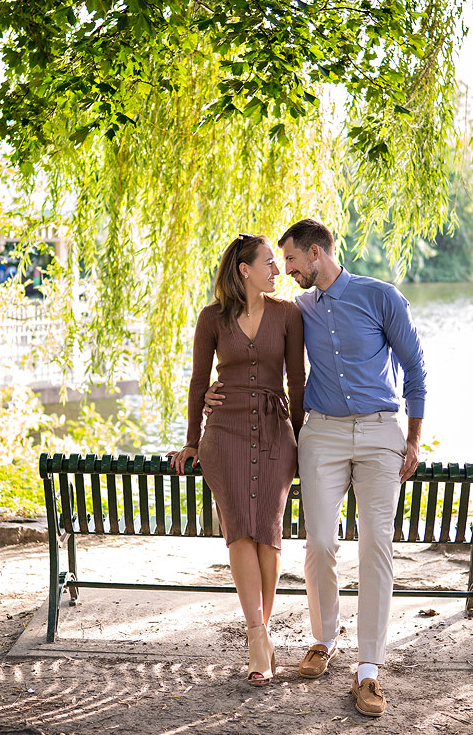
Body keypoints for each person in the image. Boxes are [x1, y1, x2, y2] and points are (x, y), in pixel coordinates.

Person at [204, 218, 424, 716]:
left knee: (376, 543)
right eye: (278, 264)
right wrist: (221, 395)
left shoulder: (380, 296)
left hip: (378, 430)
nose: (286, 270)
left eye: (292, 261)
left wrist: (413, 439)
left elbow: (415, 368)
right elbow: (263, 352)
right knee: (319, 542)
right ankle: (324, 639)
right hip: (322, 433)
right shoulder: (297, 309)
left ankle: (368, 668)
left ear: (317, 254)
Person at [168, 233, 305, 686]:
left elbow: (297, 384)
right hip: (223, 434)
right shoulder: (211, 319)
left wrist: (301, 442)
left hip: (273, 432)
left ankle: (260, 635)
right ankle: (257, 636)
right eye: (269, 262)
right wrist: (192, 441)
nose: (277, 269)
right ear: (244, 269)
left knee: (268, 532)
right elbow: (196, 383)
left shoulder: (288, 315)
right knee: (239, 533)